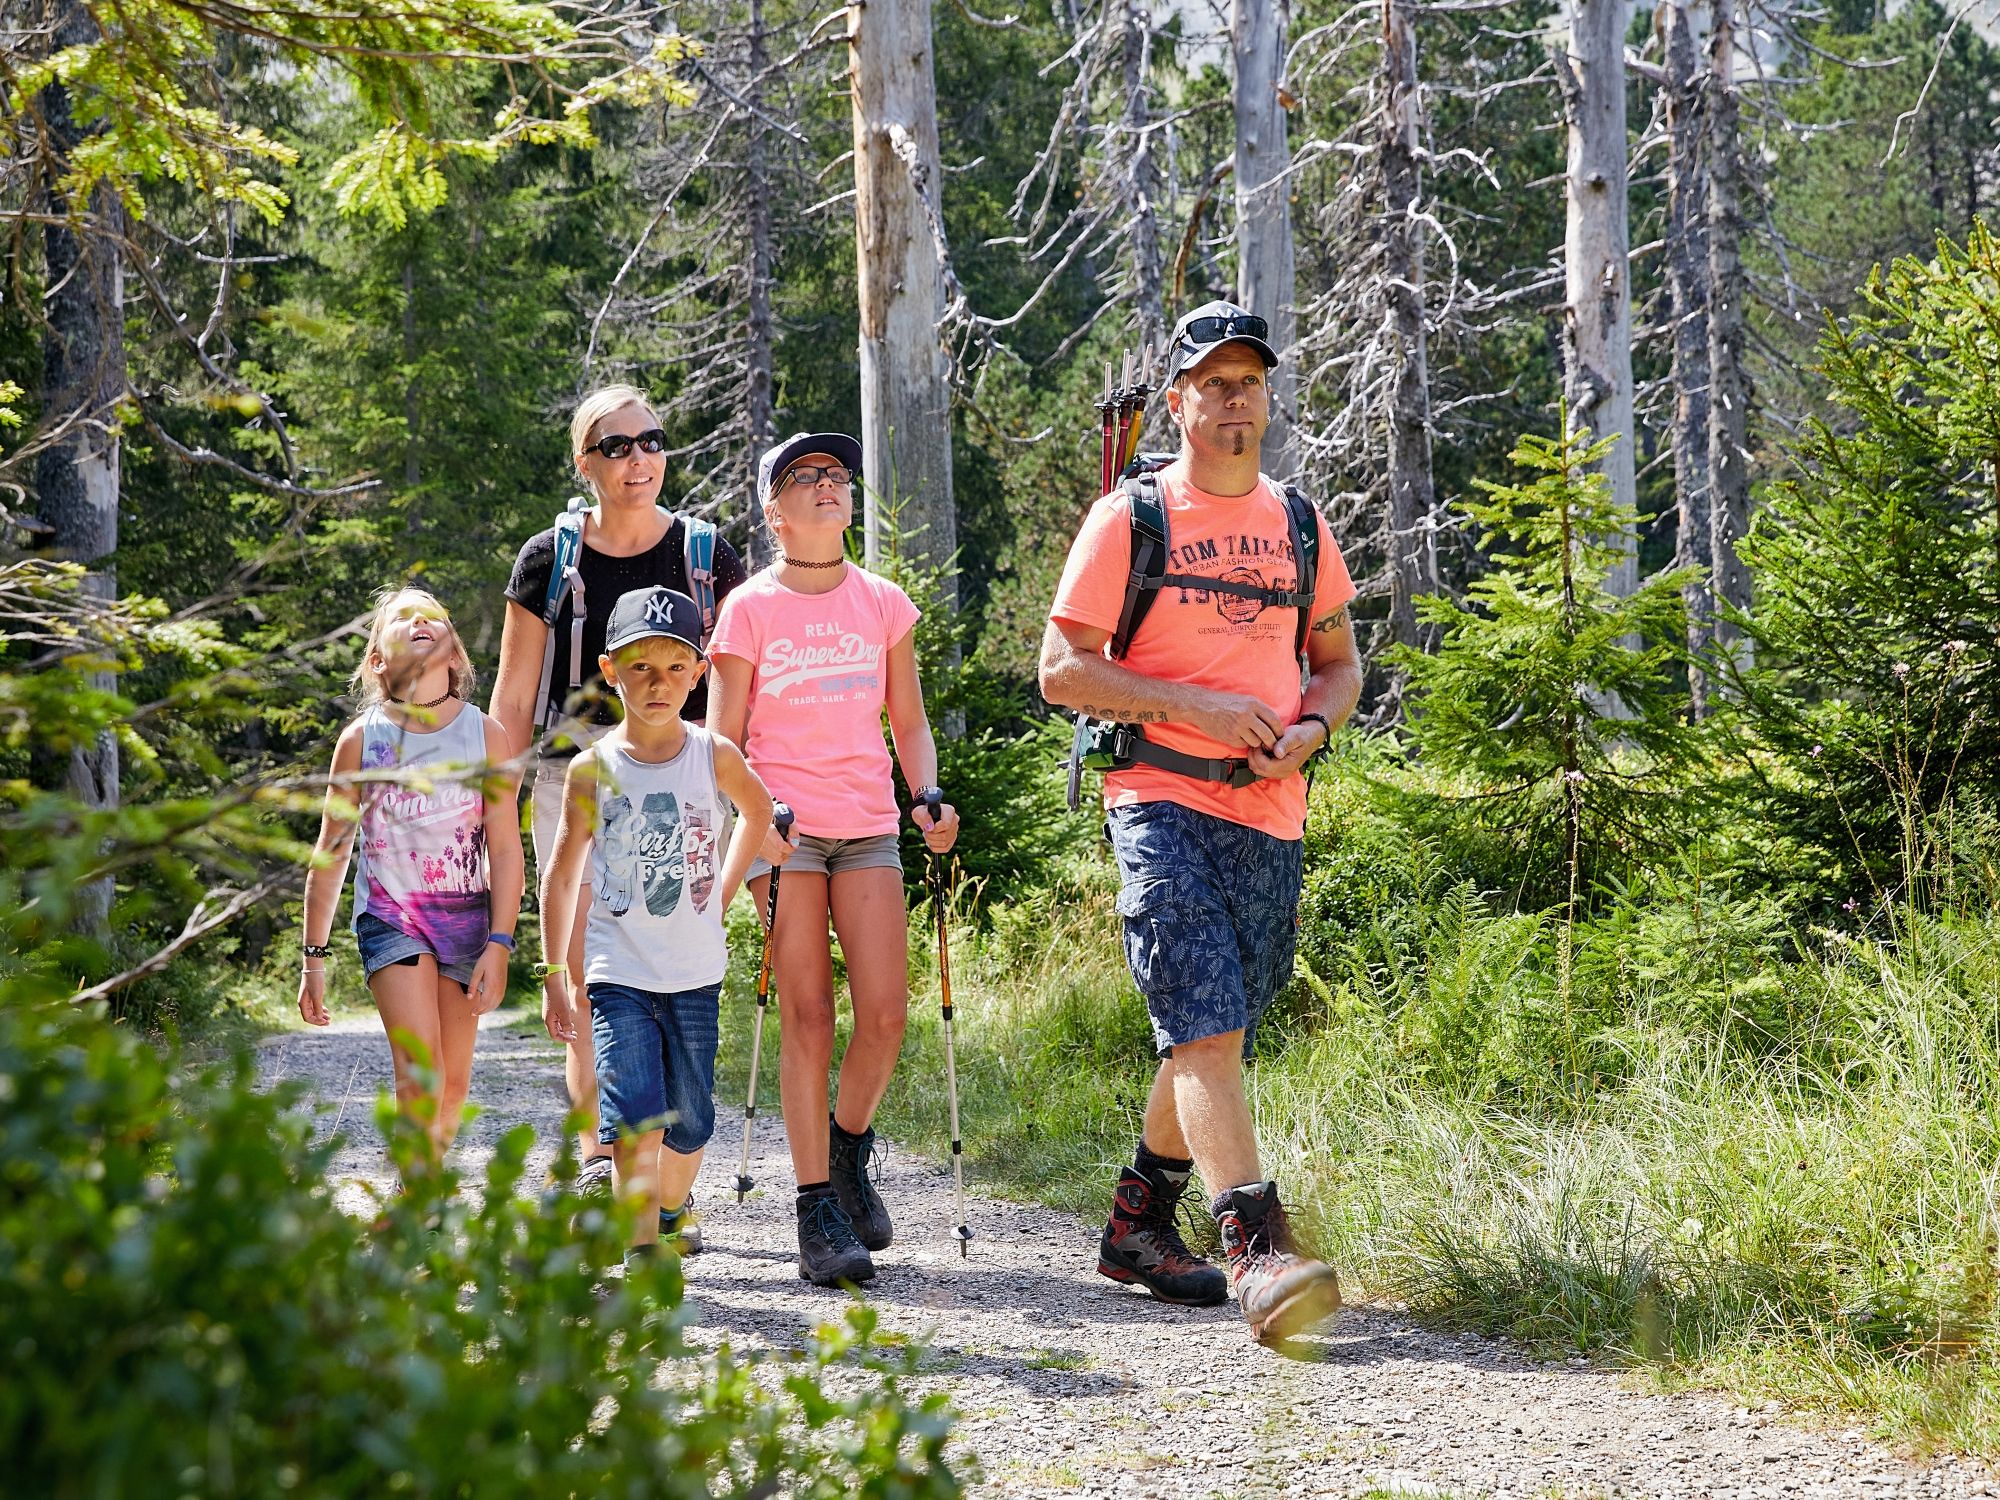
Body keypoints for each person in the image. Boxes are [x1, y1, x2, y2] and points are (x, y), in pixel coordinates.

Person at [1038, 300, 1362, 1344]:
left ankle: (1137, 1224)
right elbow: (1061, 670)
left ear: (1266, 399)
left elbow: (1339, 664)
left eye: (1248, 383)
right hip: (1158, 797)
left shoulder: (1300, 523)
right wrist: (1199, 708)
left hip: (1270, 810)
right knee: (1207, 1023)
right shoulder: (1131, 519)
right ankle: (1259, 1250)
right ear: (1176, 401)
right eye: (1212, 384)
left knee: (1212, 1023)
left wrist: (1310, 728)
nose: (1233, 401)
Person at [489, 385, 748, 1228]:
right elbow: (512, 697)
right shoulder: (550, 559)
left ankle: (664, 1191)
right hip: (579, 779)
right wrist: (490, 807)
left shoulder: (706, 555)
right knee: (595, 977)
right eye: (616, 446)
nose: (638, 459)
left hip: (686, 778)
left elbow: (739, 687)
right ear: (585, 463)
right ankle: (609, 1172)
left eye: (651, 441)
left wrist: (744, 792)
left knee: (673, 977)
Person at [707, 431, 960, 1287]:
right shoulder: (748, 609)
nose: (827, 484)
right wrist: (751, 821)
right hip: (783, 834)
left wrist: (927, 795)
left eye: (837, 474)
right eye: (804, 476)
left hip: (867, 824)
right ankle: (815, 1206)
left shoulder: (883, 602)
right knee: (810, 1015)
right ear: (773, 511)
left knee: (885, 1016)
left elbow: (909, 723)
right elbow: (721, 739)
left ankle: (848, 1151)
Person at [538, 586, 774, 1268]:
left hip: (694, 974)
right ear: (610, 670)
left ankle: (670, 1210)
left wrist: (722, 892)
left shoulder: (713, 755)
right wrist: (555, 974)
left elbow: (757, 813)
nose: (658, 683)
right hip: (617, 974)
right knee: (634, 1123)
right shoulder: (593, 769)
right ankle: (640, 1260)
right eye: (640, 667)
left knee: (691, 1125)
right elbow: (561, 877)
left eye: (674, 668)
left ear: (698, 673)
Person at [299, 586, 524, 1175]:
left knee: (452, 1088)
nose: (421, 620)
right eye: (403, 618)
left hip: (467, 922)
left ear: (455, 652)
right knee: (422, 1075)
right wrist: (313, 959)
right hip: (391, 918)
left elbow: (505, 848)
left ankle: (412, 1191)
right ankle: (418, 1211)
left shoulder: (485, 735)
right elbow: (332, 851)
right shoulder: (362, 740)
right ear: (378, 660)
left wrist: (501, 943)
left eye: (433, 616)